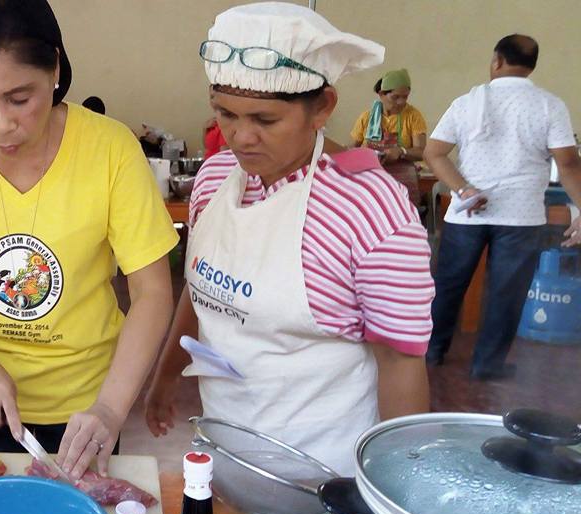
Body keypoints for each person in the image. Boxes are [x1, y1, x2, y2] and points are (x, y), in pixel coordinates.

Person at [0, 0, 178, 480]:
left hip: (87, 407)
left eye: (21, 99)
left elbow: (152, 291)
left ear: (55, 69)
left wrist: (110, 407)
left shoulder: (110, 149)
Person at [145, 2, 433, 478]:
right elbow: (200, 294)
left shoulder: (370, 207)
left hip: (321, 470)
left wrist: (399, 485)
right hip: (226, 442)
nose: (240, 137)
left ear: (322, 107)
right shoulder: (216, 178)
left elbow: (400, 360)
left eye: (265, 119)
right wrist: (165, 376)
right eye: (225, 114)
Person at [424, 34, 581, 380]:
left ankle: (430, 353)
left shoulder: (467, 102)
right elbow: (568, 164)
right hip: (521, 216)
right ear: (532, 65)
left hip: (467, 211)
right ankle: (486, 365)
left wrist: (464, 188)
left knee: (448, 285)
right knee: (505, 294)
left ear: (496, 61)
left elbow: (433, 152)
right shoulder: (549, 105)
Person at [351, 69, 428, 205]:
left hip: (402, 182)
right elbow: (352, 149)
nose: (401, 102)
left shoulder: (413, 116)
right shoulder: (366, 118)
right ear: (381, 94)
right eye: (396, 97)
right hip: (371, 180)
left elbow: (421, 152)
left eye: (405, 97)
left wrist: (401, 152)